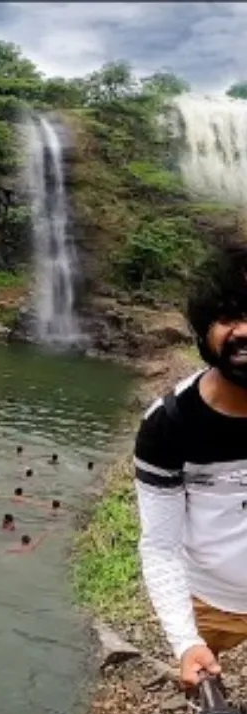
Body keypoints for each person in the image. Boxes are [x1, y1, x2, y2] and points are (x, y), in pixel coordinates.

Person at [135, 236, 247, 687]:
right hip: (211, 601)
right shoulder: (169, 424)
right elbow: (160, 546)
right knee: (203, 690)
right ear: (204, 329)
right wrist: (184, 640)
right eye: (230, 315)